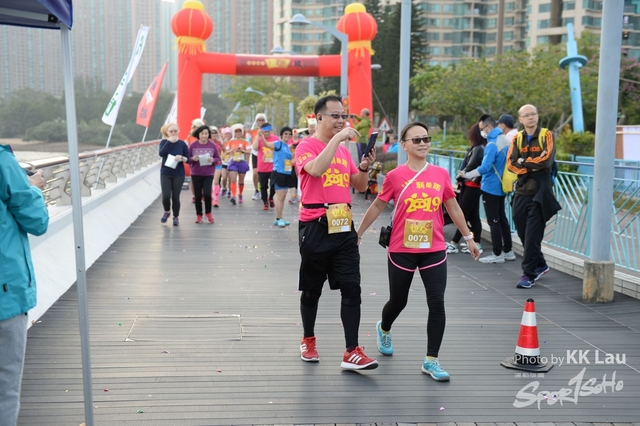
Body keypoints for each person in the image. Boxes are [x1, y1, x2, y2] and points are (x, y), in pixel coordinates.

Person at [356, 121, 480, 381]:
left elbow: (453, 207)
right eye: (416, 140)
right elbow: (378, 206)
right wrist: (359, 233)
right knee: (398, 301)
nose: (423, 143)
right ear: (404, 145)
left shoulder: (440, 175)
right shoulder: (394, 176)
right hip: (402, 248)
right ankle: (384, 328)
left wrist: (468, 237)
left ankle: (431, 360)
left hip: (433, 248)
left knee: (437, 302)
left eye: (426, 139)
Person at [295, 95, 378, 370]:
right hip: (315, 224)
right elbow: (316, 170)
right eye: (335, 116)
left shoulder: (343, 151)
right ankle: (308, 339)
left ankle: (351, 350)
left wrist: (364, 167)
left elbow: (360, 185)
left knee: (352, 287)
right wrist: (338, 139)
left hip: (343, 225)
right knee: (312, 289)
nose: (342, 120)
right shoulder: (306, 146)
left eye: (344, 116)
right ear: (319, 117)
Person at [0, 144, 49, 425]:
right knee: (5, 386)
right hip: (5, 292)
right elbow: (37, 221)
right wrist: (33, 187)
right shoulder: (3, 162)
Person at [506, 104, 561, 289]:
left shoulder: (547, 135)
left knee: (532, 236)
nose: (531, 117)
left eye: (533, 114)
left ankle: (528, 274)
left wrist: (523, 161)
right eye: (527, 115)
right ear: (520, 119)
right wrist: (530, 166)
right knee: (523, 233)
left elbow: (546, 162)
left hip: (540, 193)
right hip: (521, 191)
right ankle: (541, 264)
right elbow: (510, 164)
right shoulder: (517, 138)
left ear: (537, 116)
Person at [460, 115, 516, 263]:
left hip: (491, 186)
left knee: (493, 221)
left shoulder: (491, 145)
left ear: (489, 127)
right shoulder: (504, 140)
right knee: (502, 219)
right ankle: (508, 251)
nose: (481, 132)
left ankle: (497, 254)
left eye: (481, 129)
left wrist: (466, 175)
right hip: (503, 185)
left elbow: (485, 168)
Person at [446, 123, 486, 254]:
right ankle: (477, 243)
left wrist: (459, 176)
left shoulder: (478, 149)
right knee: (473, 216)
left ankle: (454, 243)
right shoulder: (477, 148)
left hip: (473, 185)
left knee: (462, 214)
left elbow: (470, 166)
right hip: (471, 184)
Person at [261, 126, 295, 227]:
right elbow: (267, 144)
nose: (287, 136)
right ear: (281, 135)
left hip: (287, 173)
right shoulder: (278, 144)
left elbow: (290, 160)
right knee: (280, 197)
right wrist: (262, 136)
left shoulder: (287, 147)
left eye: (289, 134)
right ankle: (279, 218)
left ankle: (279, 218)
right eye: (285, 134)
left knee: (283, 197)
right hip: (278, 173)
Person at [158, 123, 189, 226]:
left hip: (178, 173)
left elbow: (188, 158)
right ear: (167, 132)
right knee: (166, 196)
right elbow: (161, 154)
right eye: (171, 131)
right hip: (166, 173)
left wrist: (181, 158)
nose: (173, 133)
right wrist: (168, 142)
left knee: (176, 197)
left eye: (175, 131)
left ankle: (176, 217)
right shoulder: (164, 142)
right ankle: (167, 211)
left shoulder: (182, 144)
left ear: (178, 131)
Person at [188, 125, 220, 223]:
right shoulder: (193, 145)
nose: (204, 136)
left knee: (207, 194)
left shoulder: (212, 145)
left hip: (208, 173)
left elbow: (218, 158)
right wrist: (193, 159)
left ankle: (208, 213)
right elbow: (187, 159)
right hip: (196, 173)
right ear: (198, 134)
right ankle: (199, 214)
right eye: (202, 134)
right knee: (197, 195)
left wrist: (213, 160)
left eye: (206, 134)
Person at [252, 122, 278, 211]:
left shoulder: (275, 138)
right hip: (262, 167)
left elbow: (279, 148)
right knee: (263, 186)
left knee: (274, 184)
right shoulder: (259, 138)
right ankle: (265, 202)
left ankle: (271, 197)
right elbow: (255, 148)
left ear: (271, 131)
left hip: (273, 167)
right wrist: (258, 135)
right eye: (265, 132)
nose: (267, 133)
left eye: (268, 131)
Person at [226, 123, 251, 205]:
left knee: (241, 181)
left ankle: (240, 194)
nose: (238, 133)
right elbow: (226, 152)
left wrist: (242, 151)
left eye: (239, 131)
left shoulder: (245, 142)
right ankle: (233, 196)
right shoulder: (231, 142)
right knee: (233, 179)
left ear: (242, 132)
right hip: (233, 162)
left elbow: (249, 152)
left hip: (242, 162)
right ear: (234, 133)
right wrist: (231, 151)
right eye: (236, 131)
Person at [251, 114, 267, 201]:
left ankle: (262, 189)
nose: (260, 122)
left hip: (265, 154)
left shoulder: (268, 130)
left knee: (262, 175)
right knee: (255, 173)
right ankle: (256, 190)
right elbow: (253, 145)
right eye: (259, 120)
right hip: (255, 154)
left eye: (262, 120)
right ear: (256, 121)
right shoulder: (253, 131)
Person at [210, 126, 224, 208]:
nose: (214, 134)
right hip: (208, 164)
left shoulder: (219, 142)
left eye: (215, 133)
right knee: (208, 182)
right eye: (212, 133)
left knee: (216, 181)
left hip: (218, 163)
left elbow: (225, 150)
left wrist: (223, 156)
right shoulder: (207, 142)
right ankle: (210, 197)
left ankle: (216, 200)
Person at [220, 127, 232, 199]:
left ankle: (230, 191)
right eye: (226, 134)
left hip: (231, 162)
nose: (227, 135)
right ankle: (224, 188)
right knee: (224, 178)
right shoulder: (222, 143)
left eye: (229, 134)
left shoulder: (233, 142)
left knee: (230, 178)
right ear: (224, 135)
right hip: (224, 162)